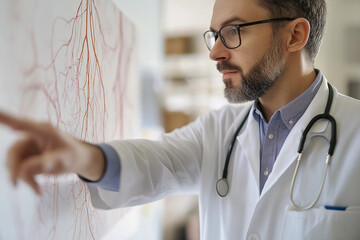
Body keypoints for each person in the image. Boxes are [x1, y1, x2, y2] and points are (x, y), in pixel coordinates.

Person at [1, 0, 360, 239]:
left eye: (234, 32)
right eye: (214, 35)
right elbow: (157, 162)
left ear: (295, 35)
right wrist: (83, 156)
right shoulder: (219, 132)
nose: (215, 52)